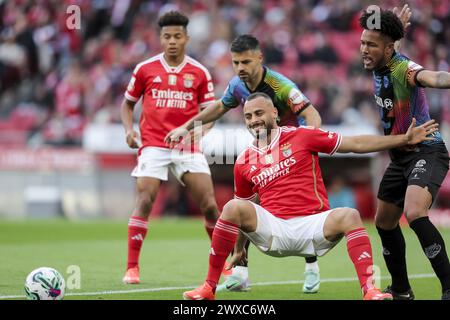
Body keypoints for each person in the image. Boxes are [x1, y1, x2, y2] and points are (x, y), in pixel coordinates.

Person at [182, 92, 438, 300]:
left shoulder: (303, 136)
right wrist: (239, 251)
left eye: (259, 113)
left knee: (349, 215)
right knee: (232, 206)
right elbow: (245, 208)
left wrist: (402, 139)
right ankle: (208, 288)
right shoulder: (243, 161)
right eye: (248, 116)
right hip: (275, 231)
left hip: (314, 227)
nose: (253, 120)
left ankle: (369, 291)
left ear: (275, 113)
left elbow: (356, 145)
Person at [165, 34, 323, 294]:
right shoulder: (237, 86)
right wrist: (185, 127)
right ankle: (240, 272)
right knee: (247, 205)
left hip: (291, 151)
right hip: (261, 150)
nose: (240, 68)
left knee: (297, 207)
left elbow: (310, 113)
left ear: (259, 58)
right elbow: (218, 108)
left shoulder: (281, 86)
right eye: (236, 62)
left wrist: (306, 142)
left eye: (245, 62)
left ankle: (311, 266)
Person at [120, 11, 221, 284]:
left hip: (187, 147)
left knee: (211, 206)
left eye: (177, 36)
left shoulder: (199, 72)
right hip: (153, 144)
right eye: (167, 36)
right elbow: (127, 103)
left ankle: (227, 265)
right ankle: (132, 268)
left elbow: (209, 112)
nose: (172, 41)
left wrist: (198, 134)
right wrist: (129, 130)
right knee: (144, 199)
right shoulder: (145, 69)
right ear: (160, 38)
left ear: (186, 37)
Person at [359, 7, 450, 300]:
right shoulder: (381, 62)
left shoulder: (402, 68)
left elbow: (433, 77)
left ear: (387, 48)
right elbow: (391, 43)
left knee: (413, 212)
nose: (364, 49)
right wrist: (398, 28)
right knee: (384, 221)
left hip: (428, 149)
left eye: (371, 45)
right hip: (400, 156)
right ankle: (401, 289)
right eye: (362, 43)